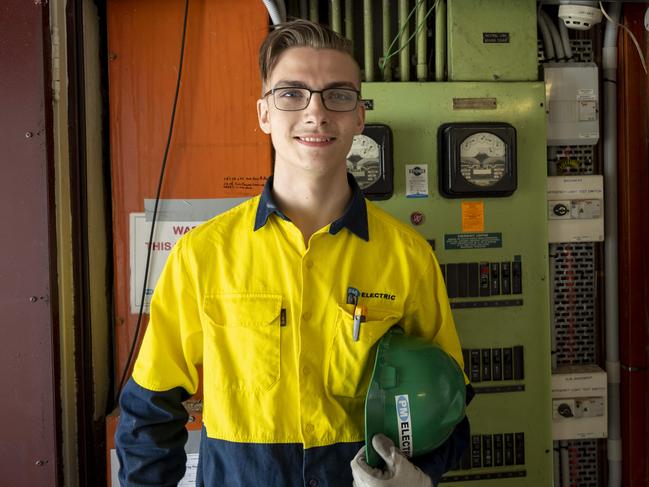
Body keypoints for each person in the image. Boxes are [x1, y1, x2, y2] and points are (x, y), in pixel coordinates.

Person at [116, 19, 471, 487]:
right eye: (291, 94)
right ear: (264, 113)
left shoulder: (406, 257)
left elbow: (449, 400)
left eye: (338, 95)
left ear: (359, 116)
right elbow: (149, 411)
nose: (317, 113)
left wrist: (420, 477)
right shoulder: (202, 255)